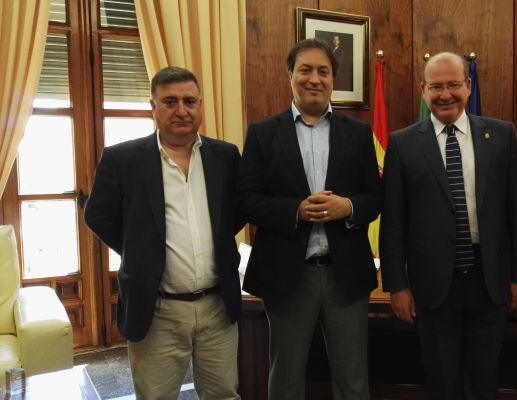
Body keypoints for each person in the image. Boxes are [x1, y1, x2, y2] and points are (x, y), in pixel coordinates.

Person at [84, 66, 243, 400]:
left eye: (189, 101)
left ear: (201, 105)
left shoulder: (225, 156)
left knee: (224, 394)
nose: (181, 110)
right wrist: (140, 250)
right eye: (170, 102)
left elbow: (237, 212)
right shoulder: (123, 159)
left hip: (217, 306)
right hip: (156, 311)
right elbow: (98, 215)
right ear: (153, 107)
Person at [379, 52, 517, 399]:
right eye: (436, 87)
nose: (445, 94)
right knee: (441, 381)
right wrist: (396, 286)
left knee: (484, 380)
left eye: (453, 85)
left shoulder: (502, 136)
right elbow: (394, 221)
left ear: (468, 86)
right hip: (432, 286)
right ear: (423, 90)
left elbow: (516, 214)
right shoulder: (402, 144)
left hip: (489, 281)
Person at [238, 38, 380, 400]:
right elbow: (246, 201)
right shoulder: (263, 134)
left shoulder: (359, 133)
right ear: (290, 76)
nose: (314, 79)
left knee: (352, 378)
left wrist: (348, 207)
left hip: (345, 275)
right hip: (288, 275)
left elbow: (376, 198)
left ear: (333, 79)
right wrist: (294, 211)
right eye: (305, 70)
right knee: (285, 379)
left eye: (323, 71)